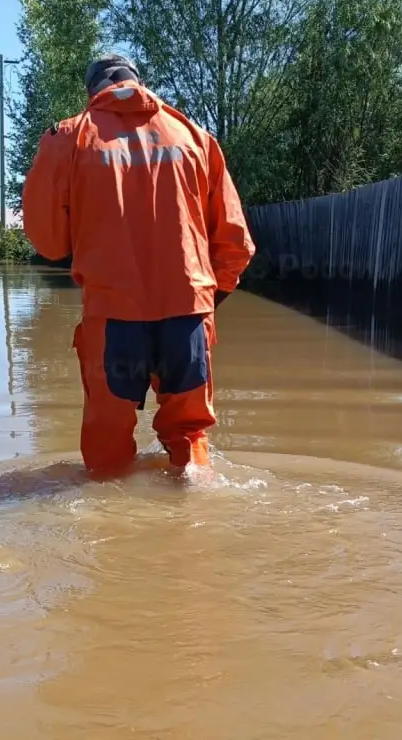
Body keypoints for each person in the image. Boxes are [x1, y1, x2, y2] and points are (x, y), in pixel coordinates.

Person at [22, 53, 256, 479]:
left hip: (113, 321)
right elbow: (236, 242)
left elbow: (48, 242)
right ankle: (196, 512)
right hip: (187, 314)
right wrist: (207, 299)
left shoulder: (67, 138)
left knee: (107, 448)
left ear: (93, 92)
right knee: (189, 441)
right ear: (138, 81)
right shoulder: (194, 136)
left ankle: (112, 527)